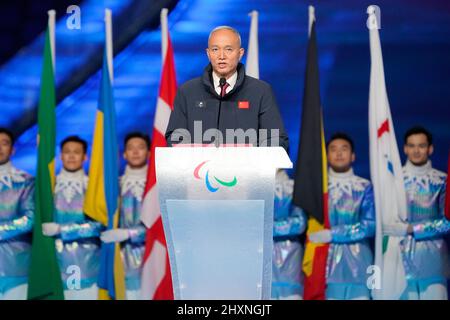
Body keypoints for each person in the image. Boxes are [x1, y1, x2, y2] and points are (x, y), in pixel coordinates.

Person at [165, 26, 289, 150]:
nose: (221, 56)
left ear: (240, 53)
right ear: (208, 54)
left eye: (228, 49)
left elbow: (277, 140)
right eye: (215, 49)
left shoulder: (261, 91)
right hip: (200, 168)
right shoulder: (187, 92)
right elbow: (175, 138)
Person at [307, 133, 376, 300]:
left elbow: (370, 226)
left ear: (353, 156)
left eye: (344, 149)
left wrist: (333, 234)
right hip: (326, 266)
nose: (339, 153)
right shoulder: (318, 188)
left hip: (360, 265)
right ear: (327, 156)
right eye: (333, 149)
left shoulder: (365, 186)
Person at [41, 135, 102, 299]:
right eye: (67, 152)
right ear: (60, 156)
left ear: (85, 157)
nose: (71, 156)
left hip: (87, 264)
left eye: (76, 152)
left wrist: (62, 229)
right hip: (53, 262)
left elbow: (98, 225)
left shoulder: (93, 187)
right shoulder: (49, 186)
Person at [395, 126, 449, 300]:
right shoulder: (393, 181)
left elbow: (446, 222)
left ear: (430, 149)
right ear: (404, 149)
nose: (416, 151)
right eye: (411, 146)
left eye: (421, 146)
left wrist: (413, 229)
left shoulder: (442, 180)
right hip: (399, 262)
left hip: (433, 262)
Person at [100, 132, 149, 300]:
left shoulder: (155, 188)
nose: (135, 152)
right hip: (120, 263)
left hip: (151, 261)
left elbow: (160, 228)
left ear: (149, 153)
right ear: (124, 154)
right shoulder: (114, 187)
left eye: (140, 148)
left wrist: (128, 233)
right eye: (131, 148)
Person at [0, 128, 34, 300]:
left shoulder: (26, 182)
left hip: (17, 267)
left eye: (4, 143)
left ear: (12, 150)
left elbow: (30, 219)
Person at [272, 169, 306, 299]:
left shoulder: (294, 187)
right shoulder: (254, 188)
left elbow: (300, 223)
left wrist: (268, 226)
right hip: (263, 257)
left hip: (291, 257)